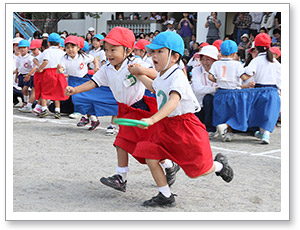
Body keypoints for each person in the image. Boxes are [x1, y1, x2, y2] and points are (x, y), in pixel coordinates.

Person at [65, 27, 179, 193]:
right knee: (122, 144)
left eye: (114, 49)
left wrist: (140, 71)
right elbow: (93, 82)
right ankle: (121, 177)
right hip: (124, 111)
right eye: (106, 50)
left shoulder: (134, 65)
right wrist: (75, 90)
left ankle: (168, 165)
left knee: (148, 146)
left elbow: (157, 74)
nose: (109, 54)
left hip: (141, 110)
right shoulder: (107, 68)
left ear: (128, 50)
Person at [128, 31, 233, 207]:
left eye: (159, 52)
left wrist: (152, 120)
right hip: (166, 126)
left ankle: (220, 166)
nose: (154, 56)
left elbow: (173, 101)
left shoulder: (177, 76)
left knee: (199, 170)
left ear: (175, 57)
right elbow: (154, 87)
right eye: (152, 52)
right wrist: (139, 75)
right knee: (150, 155)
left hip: (185, 127)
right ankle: (165, 195)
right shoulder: (162, 73)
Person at [243, 33, 281, 144]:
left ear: (256, 47)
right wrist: (280, 88)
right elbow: (280, 76)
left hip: (259, 90)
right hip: (273, 90)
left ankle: (262, 132)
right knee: (270, 112)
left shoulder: (256, 60)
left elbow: (248, 72)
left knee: (259, 112)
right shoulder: (274, 61)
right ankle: (266, 134)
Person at [208, 40, 246, 142]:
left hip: (221, 92)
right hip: (234, 92)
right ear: (234, 53)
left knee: (222, 113)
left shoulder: (216, 64)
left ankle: (222, 130)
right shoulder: (237, 64)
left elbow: (210, 76)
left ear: (221, 52)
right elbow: (243, 77)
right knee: (233, 113)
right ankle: (227, 130)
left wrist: (217, 80)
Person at [35, 32, 69, 118]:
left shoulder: (47, 51)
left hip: (48, 73)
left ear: (48, 43)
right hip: (58, 73)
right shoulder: (62, 52)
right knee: (57, 92)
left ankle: (44, 109)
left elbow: (43, 61)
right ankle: (57, 110)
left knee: (44, 91)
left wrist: (40, 68)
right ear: (59, 43)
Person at [191, 45, 218, 137]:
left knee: (209, 98)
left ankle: (211, 127)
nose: (205, 62)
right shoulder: (196, 70)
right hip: (198, 106)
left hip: (214, 105)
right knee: (208, 98)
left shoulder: (218, 70)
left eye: (208, 59)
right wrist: (215, 89)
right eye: (203, 59)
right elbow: (198, 89)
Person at [18, 39, 43, 113]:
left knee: (34, 91)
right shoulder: (33, 56)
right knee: (33, 91)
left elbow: (35, 67)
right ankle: (34, 105)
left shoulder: (41, 56)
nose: (33, 51)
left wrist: (28, 74)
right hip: (33, 76)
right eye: (32, 49)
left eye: (35, 49)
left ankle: (30, 106)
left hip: (37, 75)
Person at [15, 40, 36, 110]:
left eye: (24, 47)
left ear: (28, 48)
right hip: (21, 75)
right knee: (23, 90)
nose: (22, 49)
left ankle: (27, 102)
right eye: (20, 48)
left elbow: (33, 67)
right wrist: (16, 77)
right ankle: (25, 101)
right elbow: (17, 68)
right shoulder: (18, 58)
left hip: (27, 75)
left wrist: (29, 75)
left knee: (25, 89)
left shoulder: (30, 58)